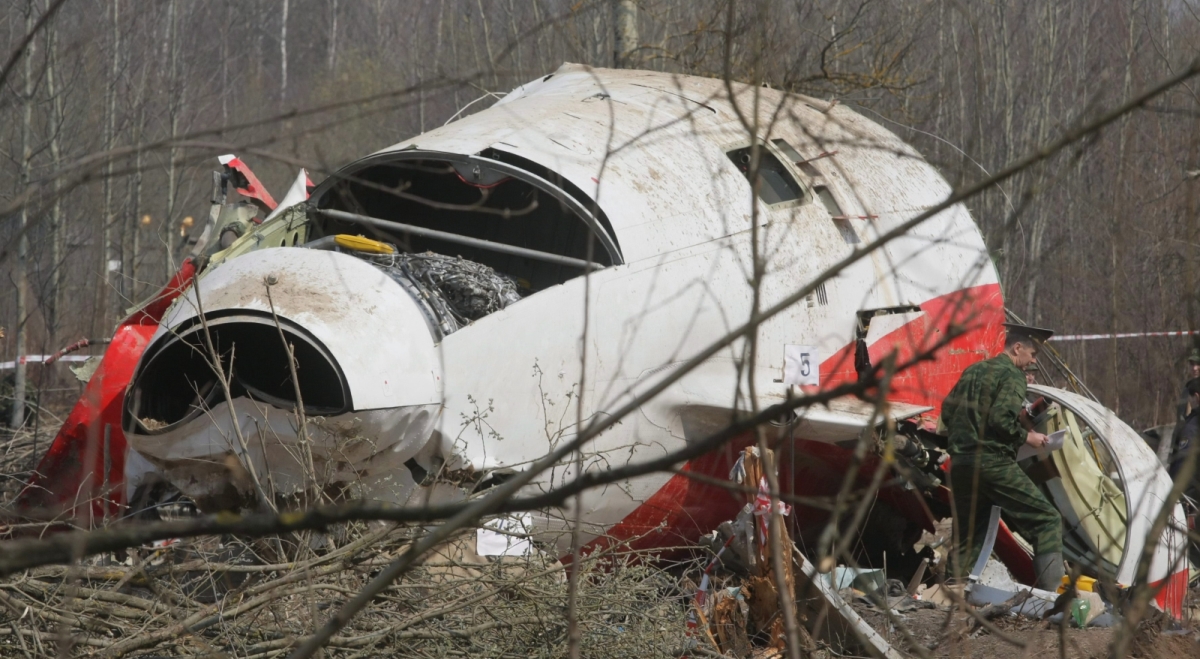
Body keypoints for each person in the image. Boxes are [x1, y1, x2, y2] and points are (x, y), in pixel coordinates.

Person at [942, 323, 1064, 591]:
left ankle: (951, 595)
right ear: (1017, 347)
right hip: (992, 462)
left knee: (969, 533)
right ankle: (1052, 597)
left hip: (961, 464)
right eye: (1032, 354)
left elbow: (947, 414)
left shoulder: (973, 370)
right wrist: (1027, 437)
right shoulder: (1012, 375)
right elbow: (1000, 419)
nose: (1033, 361)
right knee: (1047, 520)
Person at [1169, 377, 1200, 485]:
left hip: (1190, 496)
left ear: (1196, 397)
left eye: (1189, 397)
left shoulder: (1192, 426)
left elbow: (1182, 466)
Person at [1178, 349, 1200, 422]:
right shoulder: (1188, 387)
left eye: (1198, 364)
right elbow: (1182, 418)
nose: (1195, 368)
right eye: (1192, 364)